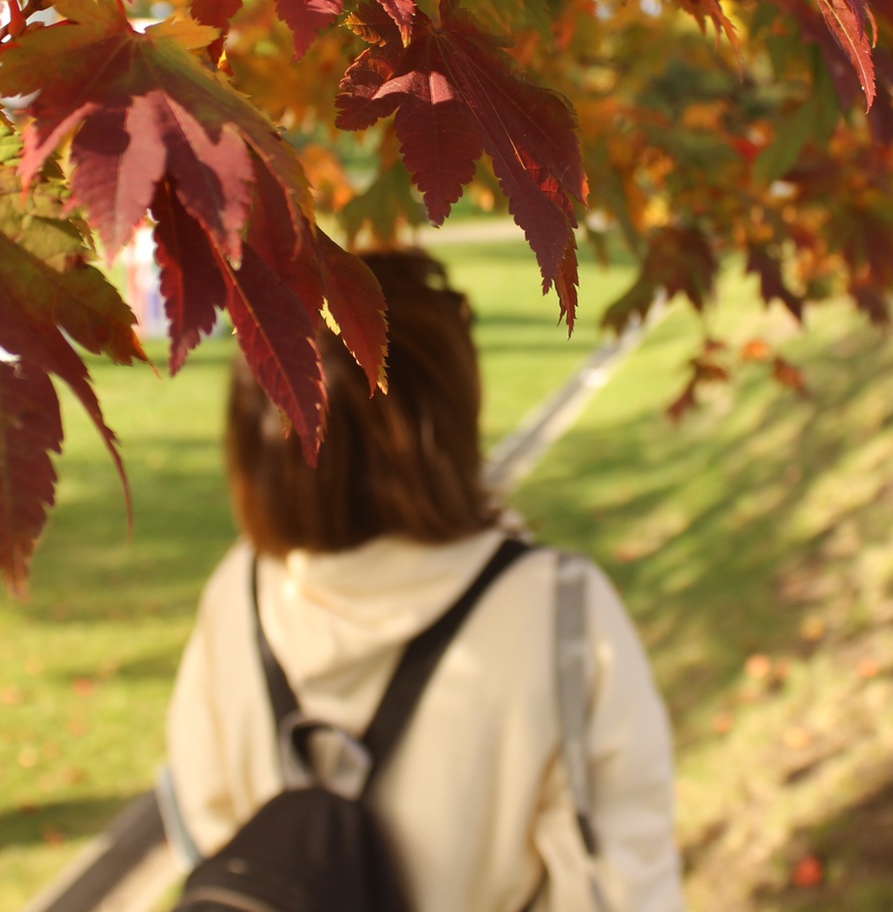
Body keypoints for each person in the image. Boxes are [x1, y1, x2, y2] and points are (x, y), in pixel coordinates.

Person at [165, 249, 684, 912]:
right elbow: (624, 887)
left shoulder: (240, 595)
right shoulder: (559, 616)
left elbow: (209, 829)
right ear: (452, 411)